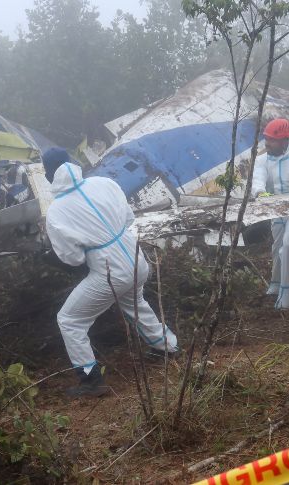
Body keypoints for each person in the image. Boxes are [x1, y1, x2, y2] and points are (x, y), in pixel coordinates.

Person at [42, 147, 179, 398]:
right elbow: (128, 219)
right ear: (73, 163)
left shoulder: (56, 211)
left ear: (48, 175)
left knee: (70, 320)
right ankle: (167, 347)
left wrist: (92, 247)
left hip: (108, 270)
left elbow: (72, 259)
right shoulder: (103, 183)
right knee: (135, 301)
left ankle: (90, 380)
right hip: (136, 259)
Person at [250, 118, 289, 308]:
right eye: (266, 138)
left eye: (272, 140)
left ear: (285, 140)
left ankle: (288, 293)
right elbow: (258, 180)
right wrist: (260, 193)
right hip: (275, 206)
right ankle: (276, 284)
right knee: (277, 247)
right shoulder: (262, 159)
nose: (267, 143)